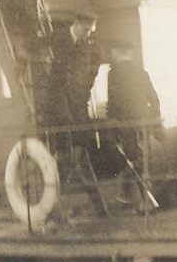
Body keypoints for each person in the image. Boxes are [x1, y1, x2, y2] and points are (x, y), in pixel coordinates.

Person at [106, 40, 161, 206]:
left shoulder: (114, 74)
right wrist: (155, 121)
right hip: (144, 123)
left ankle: (143, 201)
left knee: (132, 160)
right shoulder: (142, 72)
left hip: (126, 123)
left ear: (117, 52)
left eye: (112, 52)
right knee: (141, 161)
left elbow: (113, 102)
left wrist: (112, 125)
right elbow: (154, 99)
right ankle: (133, 197)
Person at [45, 14, 102, 131]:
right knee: (63, 125)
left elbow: (93, 69)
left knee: (82, 129)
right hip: (59, 95)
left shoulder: (90, 44)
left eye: (90, 31)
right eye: (86, 29)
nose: (87, 34)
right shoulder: (57, 37)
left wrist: (86, 88)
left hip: (79, 96)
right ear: (76, 23)